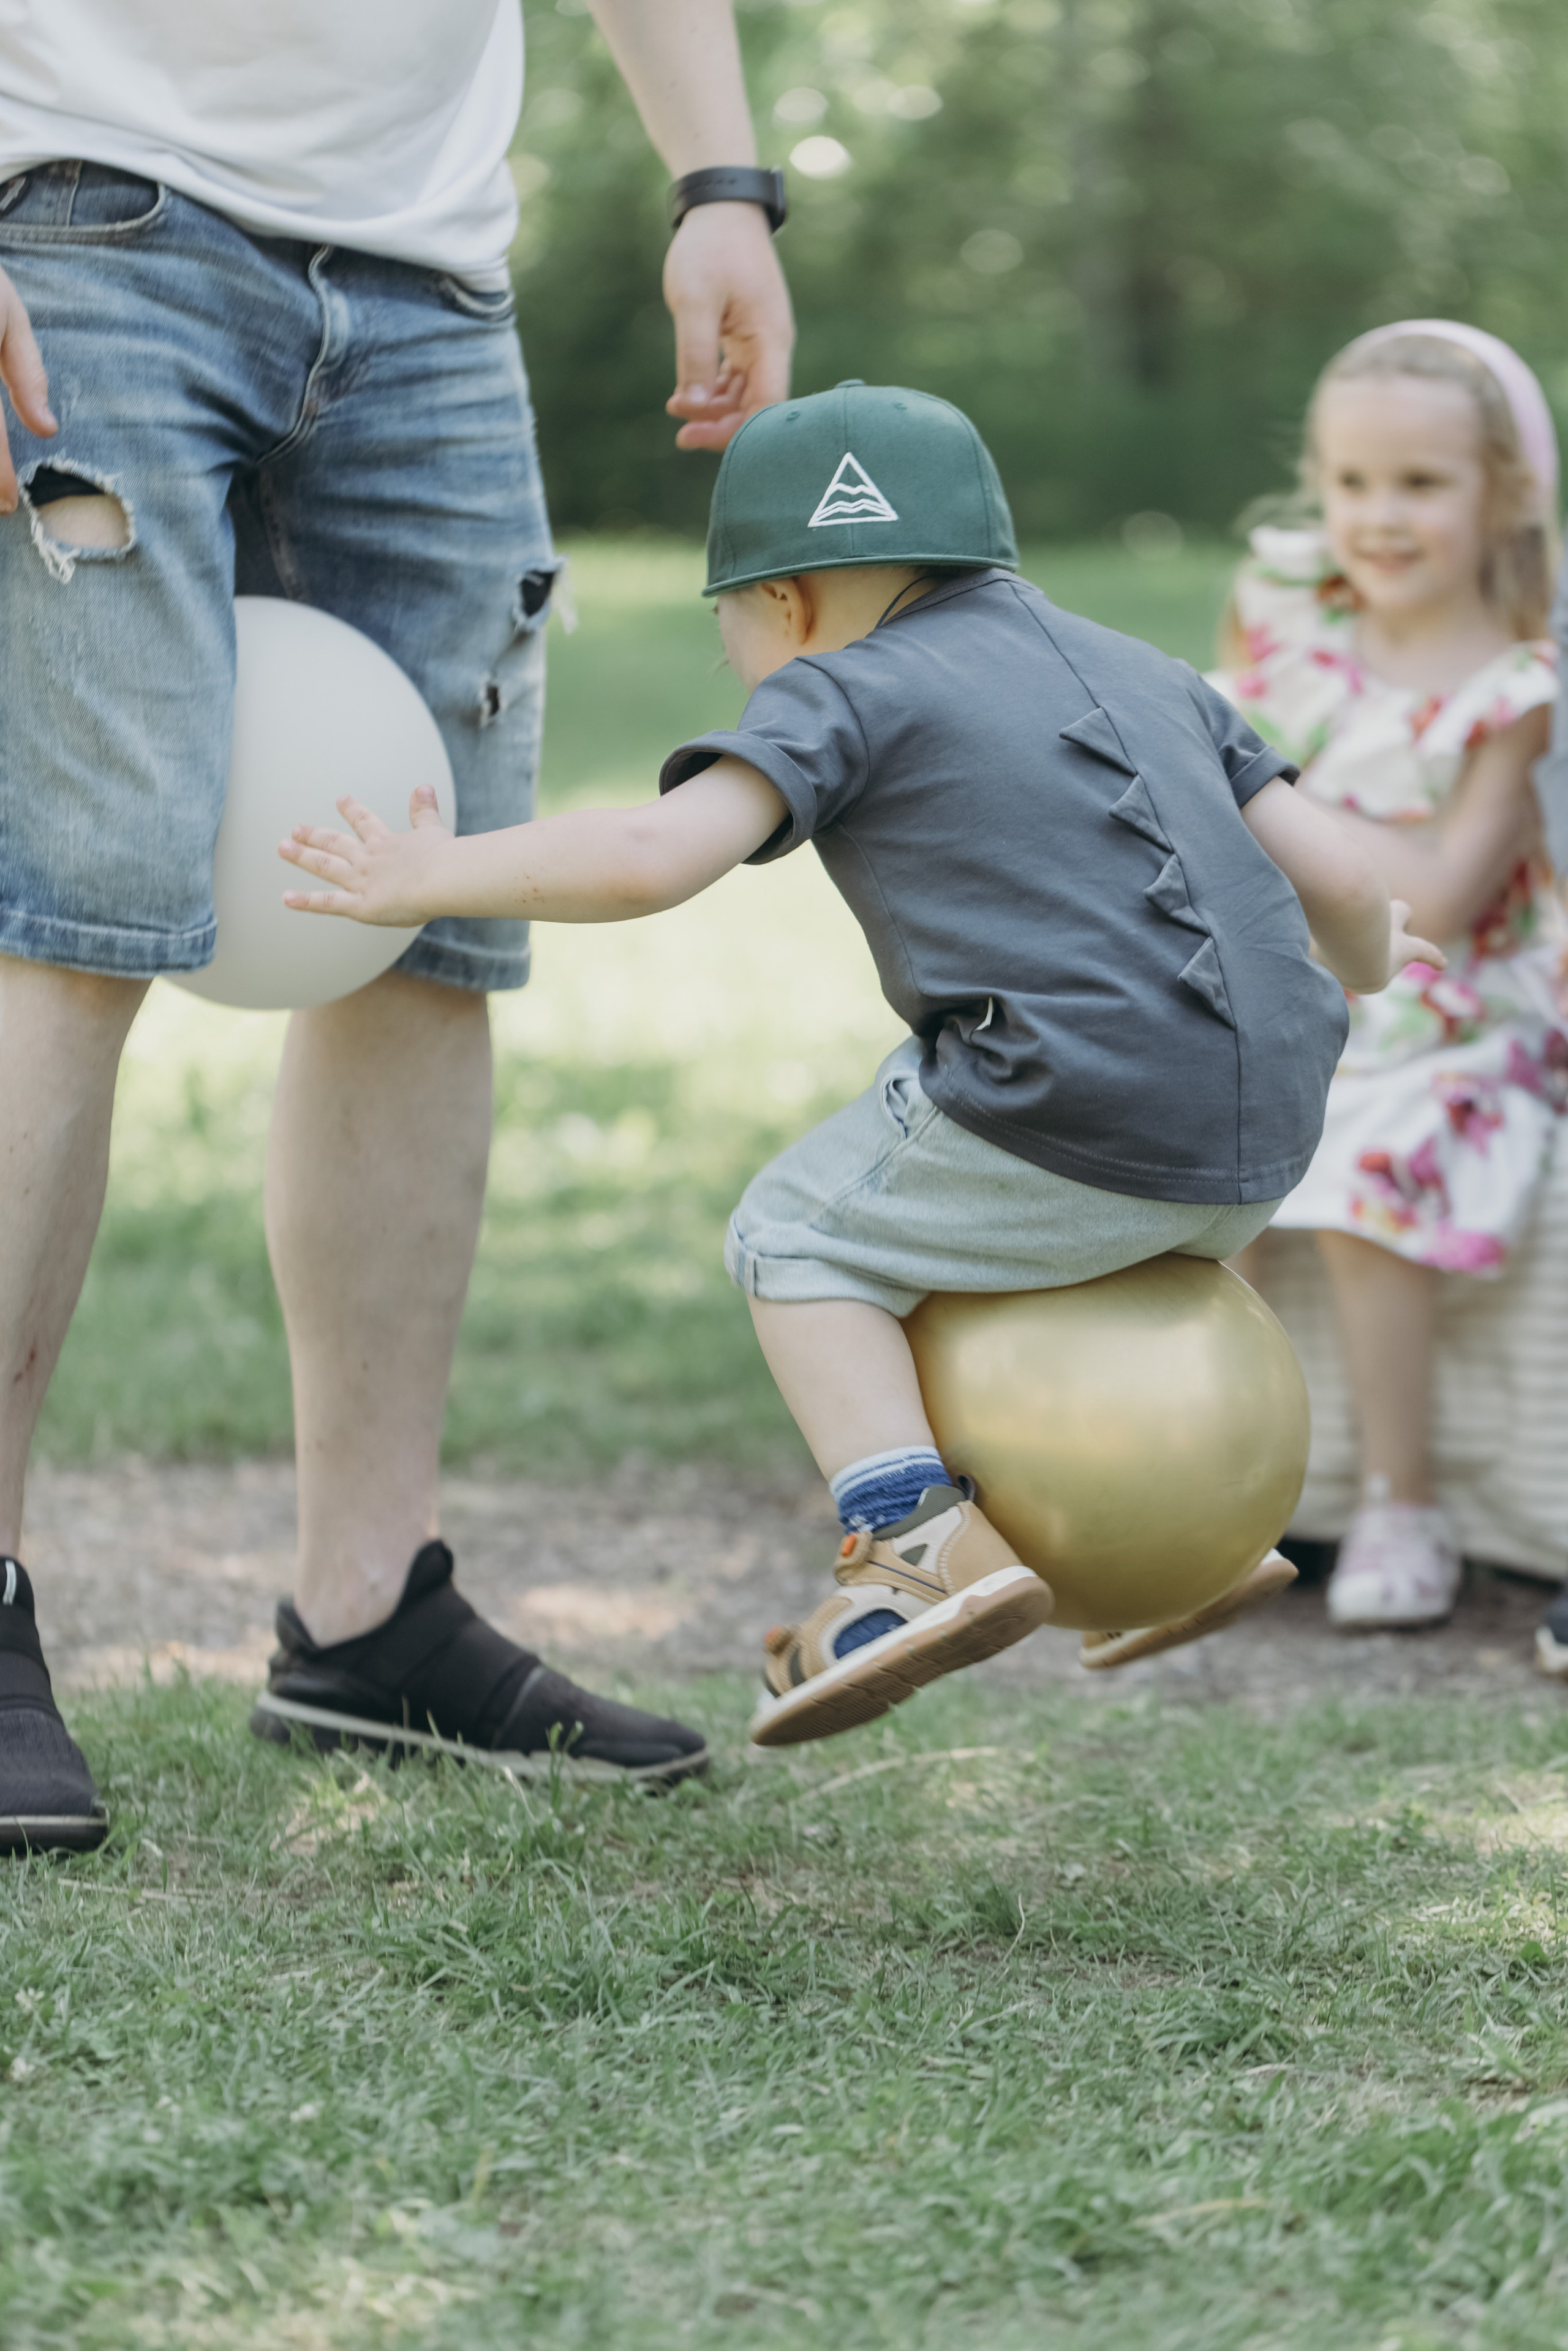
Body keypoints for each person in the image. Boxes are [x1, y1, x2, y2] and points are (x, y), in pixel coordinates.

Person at [276, 380, 1439, 1748]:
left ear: (786, 602)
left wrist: (427, 872)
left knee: (798, 1237)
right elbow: (1341, 879)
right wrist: (1370, 961)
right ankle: (1175, 1537)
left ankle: (908, 1540)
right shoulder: (1146, 667)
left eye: (727, 629)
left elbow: (651, 856)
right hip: (1273, 1121)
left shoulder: (843, 684)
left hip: (1076, 1097)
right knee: (1031, 1240)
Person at [0, 0, 795, 1851]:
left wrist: (721, 181)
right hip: (81, 219)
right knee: (73, 917)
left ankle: (368, 1615)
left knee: (432, 919)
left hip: (430, 273)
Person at [1209, 323, 1566, 1634]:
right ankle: (1216, 1488)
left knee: (1369, 1169)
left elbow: (1448, 896)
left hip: (1445, 1005)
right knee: (1204, 1164)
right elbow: (1201, 791)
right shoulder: (1286, 612)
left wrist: (1277, 805)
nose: (1378, 516)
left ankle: (1398, 1500)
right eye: (1351, 482)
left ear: (1504, 493)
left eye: (1420, 483)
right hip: (1286, 977)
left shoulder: (1513, 682)